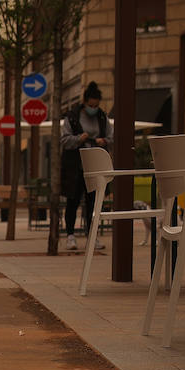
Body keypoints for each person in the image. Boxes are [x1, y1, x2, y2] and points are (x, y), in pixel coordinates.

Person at [60, 81, 113, 251]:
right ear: (85, 102)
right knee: (73, 201)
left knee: (94, 203)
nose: (93, 108)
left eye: (96, 105)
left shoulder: (103, 118)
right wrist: (79, 139)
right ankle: (70, 235)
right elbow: (65, 140)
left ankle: (93, 236)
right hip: (76, 166)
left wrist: (103, 141)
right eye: (91, 105)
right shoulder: (72, 117)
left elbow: (111, 137)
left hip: (95, 166)